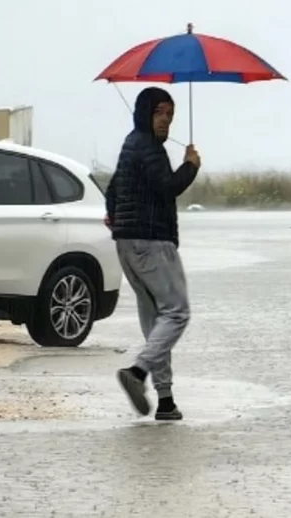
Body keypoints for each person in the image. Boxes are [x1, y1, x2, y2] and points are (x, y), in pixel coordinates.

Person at [105, 87, 201, 421]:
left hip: (127, 245)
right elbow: (168, 187)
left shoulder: (131, 143)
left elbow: (114, 188)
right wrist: (191, 166)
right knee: (177, 312)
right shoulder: (148, 146)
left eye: (171, 116)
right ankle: (138, 372)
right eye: (161, 113)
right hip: (151, 242)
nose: (166, 122)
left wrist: (113, 216)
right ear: (146, 112)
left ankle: (165, 400)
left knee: (155, 321)